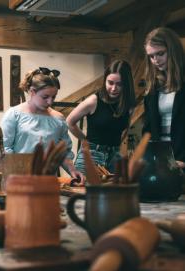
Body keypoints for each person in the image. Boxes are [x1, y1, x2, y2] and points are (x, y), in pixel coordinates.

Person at [1, 67, 84, 183]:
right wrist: (18, 171)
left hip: (47, 181)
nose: (50, 102)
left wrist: (72, 170)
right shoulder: (14, 114)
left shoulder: (58, 119)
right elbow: (5, 148)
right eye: (45, 97)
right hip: (18, 180)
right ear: (32, 91)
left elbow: (63, 152)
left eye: (53, 97)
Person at [66, 60, 135, 173]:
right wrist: (84, 139)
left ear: (127, 85)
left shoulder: (129, 105)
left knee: (113, 191)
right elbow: (69, 121)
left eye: (119, 84)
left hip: (114, 158)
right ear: (105, 81)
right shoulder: (94, 100)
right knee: (83, 191)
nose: (113, 88)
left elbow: (124, 131)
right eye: (110, 83)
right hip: (92, 155)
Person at [143, 27, 185, 170]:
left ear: (172, 50)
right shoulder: (153, 88)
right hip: (161, 161)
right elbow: (148, 130)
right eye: (151, 56)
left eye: (160, 53)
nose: (155, 60)